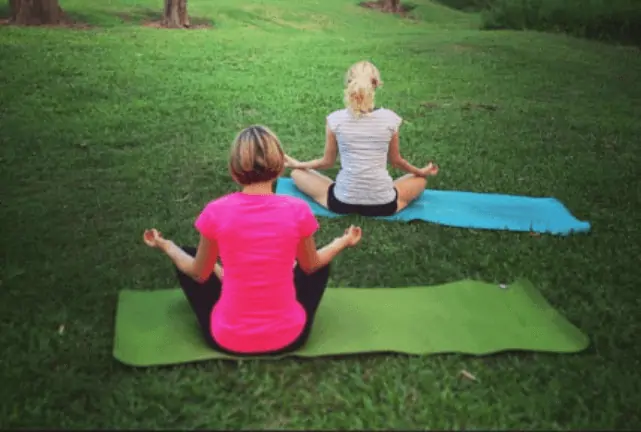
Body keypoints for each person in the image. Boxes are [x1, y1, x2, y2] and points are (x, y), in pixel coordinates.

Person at [142, 125, 363, 357]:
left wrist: (167, 246)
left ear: (234, 170)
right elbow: (312, 266)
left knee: (188, 257)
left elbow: (198, 274)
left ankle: (232, 287)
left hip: (227, 339)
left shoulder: (216, 211)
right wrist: (342, 241)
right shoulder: (297, 209)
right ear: (278, 168)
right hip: (290, 338)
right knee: (318, 263)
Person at [284, 60, 439, 217]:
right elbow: (396, 161)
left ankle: (348, 193)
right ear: (377, 83)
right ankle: (378, 194)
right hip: (383, 204)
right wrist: (420, 171)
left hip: (342, 202)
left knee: (297, 173)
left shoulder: (335, 119)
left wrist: (298, 164)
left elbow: (327, 162)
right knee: (420, 180)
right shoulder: (389, 119)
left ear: (349, 83)